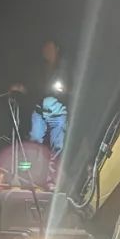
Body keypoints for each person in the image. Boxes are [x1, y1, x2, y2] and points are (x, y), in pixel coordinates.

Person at [12, 40, 70, 188]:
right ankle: (30, 178)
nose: (46, 51)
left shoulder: (65, 68)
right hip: (40, 109)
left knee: (57, 146)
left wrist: (65, 90)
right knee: (35, 141)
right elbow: (34, 87)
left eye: (50, 48)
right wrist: (22, 89)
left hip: (58, 110)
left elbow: (72, 88)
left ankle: (52, 182)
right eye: (45, 48)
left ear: (56, 49)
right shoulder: (39, 69)